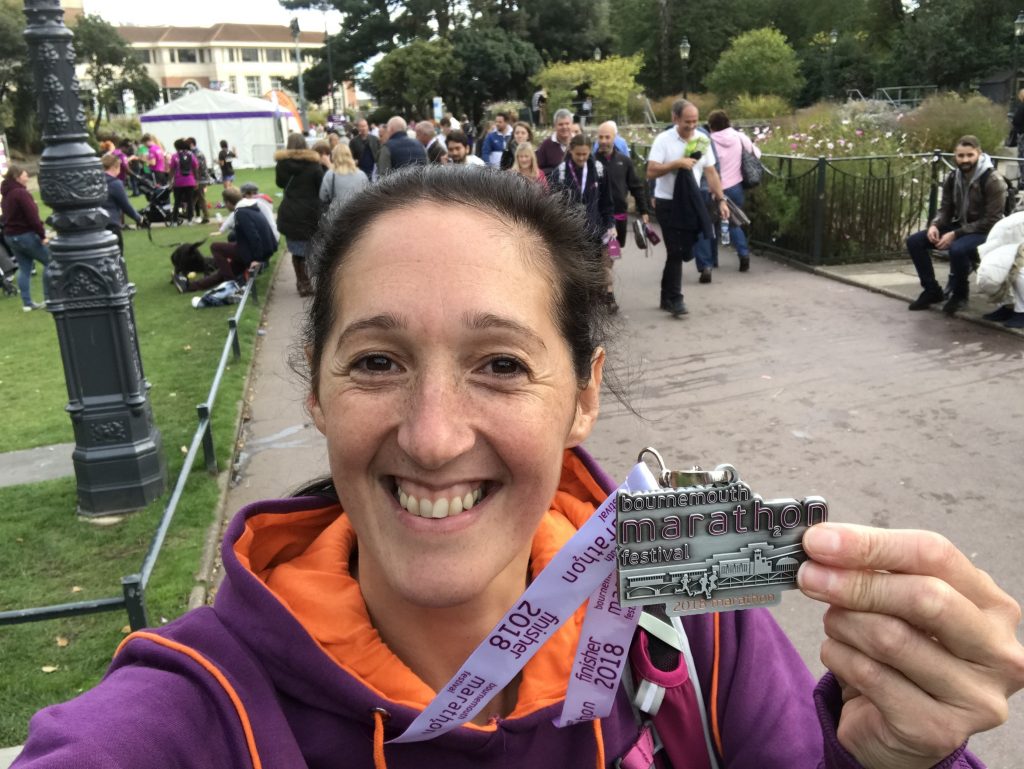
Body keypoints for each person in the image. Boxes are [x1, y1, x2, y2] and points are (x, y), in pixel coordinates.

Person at [12, 166, 1024, 769]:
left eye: (500, 364)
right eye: (376, 362)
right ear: (314, 394)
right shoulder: (189, 718)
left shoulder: (695, 630)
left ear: (584, 393)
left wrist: (890, 758)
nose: (436, 434)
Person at [646, 99, 730, 317]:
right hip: (667, 202)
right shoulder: (663, 140)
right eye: (687, 122)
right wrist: (676, 164)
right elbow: (651, 171)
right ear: (675, 119)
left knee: (680, 250)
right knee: (676, 250)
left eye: (695, 121)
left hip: (691, 201)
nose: (692, 126)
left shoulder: (702, 140)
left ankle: (666, 296)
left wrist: (721, 199)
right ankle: (676, 299)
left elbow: (710, 172)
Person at [905, 135, 1006, 316]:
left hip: (987, 232)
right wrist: (935, 225)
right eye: (961, 156)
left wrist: (956, 234)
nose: (965, 160)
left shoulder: (992, 180)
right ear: (955, 156)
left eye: (970, 155)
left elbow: (993, 220)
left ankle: (960, 295)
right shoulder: (954, 177)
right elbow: (946, 209)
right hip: (962, 227)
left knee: (958, 249)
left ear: (979, 154)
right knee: (915, 241)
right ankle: (931, 290)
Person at [549, 134, 616, 311]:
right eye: (578, 154)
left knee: (595, 272)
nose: (581, 158)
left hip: (594, 232)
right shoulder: (560, 173)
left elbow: (607, 202)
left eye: (585, 154)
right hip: (571, 233)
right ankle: (577, 308)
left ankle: (593, 306)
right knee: (575, 273)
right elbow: (554, 205)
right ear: (571, 151)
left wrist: (610, 224)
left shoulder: (599, 170)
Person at [173, 187, 275, 294]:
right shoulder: (248, 208)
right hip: (259, 249)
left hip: (255, 252)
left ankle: (230, 284)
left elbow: (254, 236)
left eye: (225, 203)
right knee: (224, 272)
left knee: (215, 247)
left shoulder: (241, 213)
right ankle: (189, 287)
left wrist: (257, 259)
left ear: (228, 202)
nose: (225, 206)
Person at [706, 109, 759, 273]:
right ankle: (743, 255)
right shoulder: (739, 136)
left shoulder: (708, 140)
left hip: (714, 186)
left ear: (711, 125)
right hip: (735, 186)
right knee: (734, 223)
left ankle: (712, 260)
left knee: (711, 224)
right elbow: (756, 153)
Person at [275, 132, 325, 297]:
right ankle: (311, 280)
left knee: (297, 251)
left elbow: (280, 183)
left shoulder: (282, 165)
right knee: (312, 248)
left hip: (291, 211)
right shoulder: (314, 165)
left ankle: (302, 282)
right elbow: (320, 188)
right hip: (310, 211)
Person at [0, 164, 50, 311]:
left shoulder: (7, 194)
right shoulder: (20, 193)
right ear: (17, 177)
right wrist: (42, 235)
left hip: (11, 236)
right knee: (50, 262)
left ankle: (27, 303)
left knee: (25, 268)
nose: (27, 177)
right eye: (24, 174)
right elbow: (32, 217)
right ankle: (49, 298)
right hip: (25, 235)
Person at [594, 120, 650, 250]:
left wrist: (644, 210)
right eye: (600, 137)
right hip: (599, 216)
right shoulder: (592, 161)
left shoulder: (624, 161)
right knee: (601, 253)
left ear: (614, 138)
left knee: (614, 252)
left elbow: (636, 187)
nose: (603, 141)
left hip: (619, 215)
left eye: (607, 137)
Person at [100, 153, 142, 258]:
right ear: (116, 167)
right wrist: (139, 218)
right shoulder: (115, 183)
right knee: (117, 257)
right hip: (111, 224)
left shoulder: (95, 182)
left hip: (96, 225)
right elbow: (126, 206)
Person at [217, 182, 279, 247]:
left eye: (242, 196)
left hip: (268, 240)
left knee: (233, 236)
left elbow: (233, 216)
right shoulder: (262, 201)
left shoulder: (252, 203)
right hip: (273, 237)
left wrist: (222, 229)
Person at [319, 143, 369, 215]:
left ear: (334, 156)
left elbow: (322, 196)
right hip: (357, 215)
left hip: (336, 216)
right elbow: (366, 197)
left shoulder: (330, 174)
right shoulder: (362, 175)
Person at [536, 108, 574, 177]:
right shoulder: (546, 145)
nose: (564, 127)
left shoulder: (578, 142)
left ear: (572, 124)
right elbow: (538, 169)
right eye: (560, 124)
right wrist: (555, 171)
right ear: (555, 126)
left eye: (567, 123)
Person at [169, 138, 198, 223]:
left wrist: (170, 180)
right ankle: (190, 220)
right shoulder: (190, 155)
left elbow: (172, 169)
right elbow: (195, 167)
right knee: (190, 201)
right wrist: (196, 180)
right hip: (190, 181)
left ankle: (174, 220)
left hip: (178, 182)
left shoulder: (175, 156)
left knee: (177, 202)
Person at [187, 138, 211, 223]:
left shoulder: (197, 154)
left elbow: (198, 168)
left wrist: (196, 179)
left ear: (191, 144)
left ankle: (206, 217)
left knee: (200, 198)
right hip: (200, 179)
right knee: (193, 198)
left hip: (200, 179)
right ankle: (189, 214)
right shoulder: (196, 153)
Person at [1013, 89, 1024, 189]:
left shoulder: (1021, 107)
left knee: (1022, 157)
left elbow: (1016, 120)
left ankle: (1023, 180)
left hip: (1022, 134)